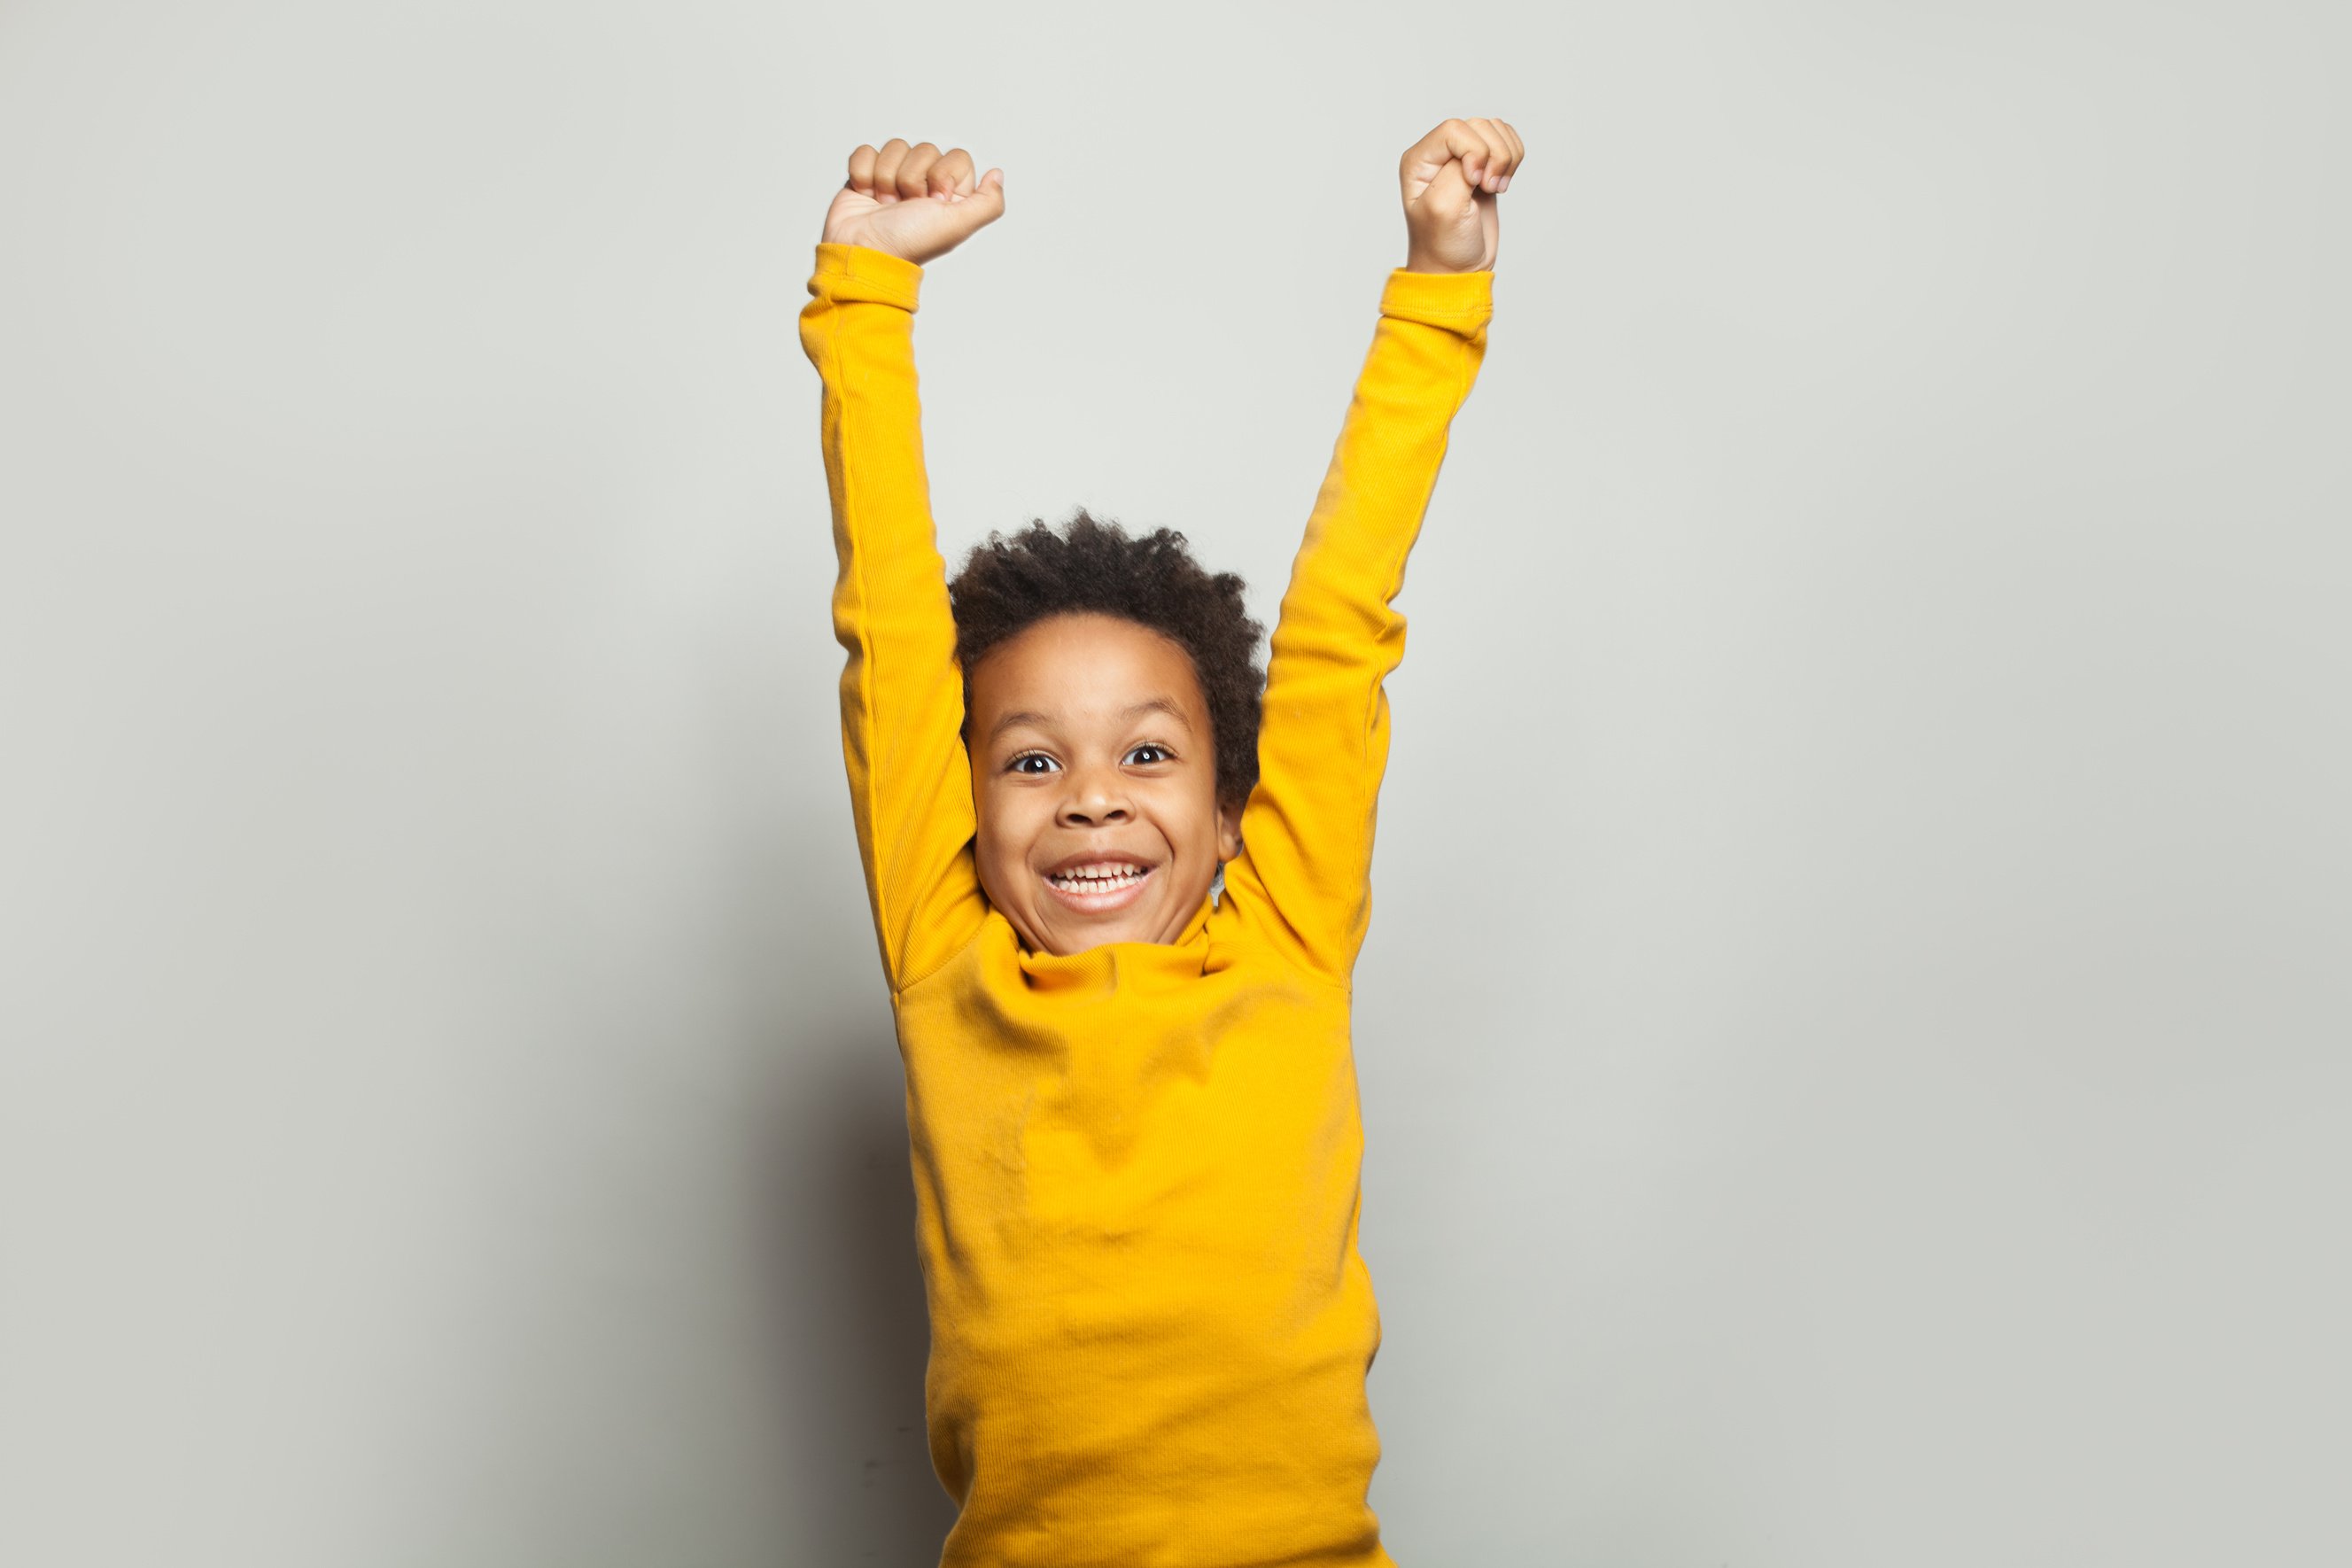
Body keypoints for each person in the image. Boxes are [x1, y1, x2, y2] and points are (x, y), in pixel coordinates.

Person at [796, 117, 1522, 1567]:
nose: (1089, 796)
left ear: (1234, 808)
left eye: (1145, 752)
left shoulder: (1288, 937)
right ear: (964, 802)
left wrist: (1437, 294)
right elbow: (889, 629)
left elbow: (1337, 632)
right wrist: (865, 298)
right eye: (1029, 760)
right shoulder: (953, 966)